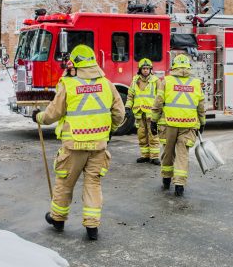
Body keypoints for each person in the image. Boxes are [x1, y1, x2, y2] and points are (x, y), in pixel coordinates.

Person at [32, 44, 125, 241]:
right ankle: (92, 226)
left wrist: (38, 117)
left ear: (75, 64)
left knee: (65, 183)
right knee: (93, 184)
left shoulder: (69, 85)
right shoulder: (107, 84)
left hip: (74, 146)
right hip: (99, 146)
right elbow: (120, 113)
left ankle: (58, 219)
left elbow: (52, 114)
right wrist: (110, 129)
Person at [151, 54, 205, 197]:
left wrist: (153, 120)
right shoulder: (196, 83)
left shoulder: (166, 81)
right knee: (183, 154)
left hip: (169, 123)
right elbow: (201, 106)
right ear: (188, 66)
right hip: (188, 124)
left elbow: (158, 102)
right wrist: (203, 122)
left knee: (168, 152)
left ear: (173, 66)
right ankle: (179, 185)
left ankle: (166, 179)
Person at [125, 58, 161, 165]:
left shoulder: (156, 81)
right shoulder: (135, 81)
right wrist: (127, 107)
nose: (145, 70)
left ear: (151, 70)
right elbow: (130, 96)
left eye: (147, 68)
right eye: (143, 68)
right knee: (142, 135)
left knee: (153, 134)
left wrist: (159, 111)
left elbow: (160, 97)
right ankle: (145, 155)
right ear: (140, 70)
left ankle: (154, 157)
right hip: (139, 113)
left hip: (151, 114)